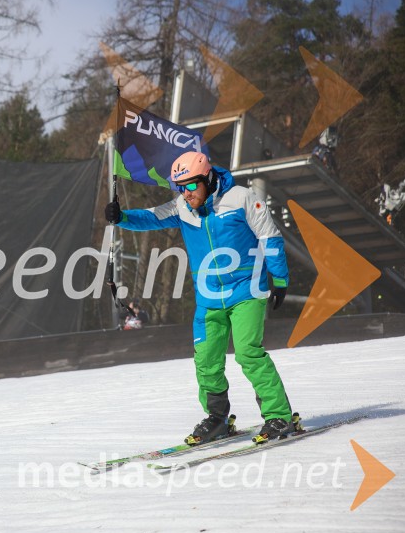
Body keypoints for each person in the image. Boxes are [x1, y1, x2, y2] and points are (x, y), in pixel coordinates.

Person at [105, 151, 294, 445]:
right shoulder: (183, 207)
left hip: (247, 289)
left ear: (207, 179)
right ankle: (217, 418)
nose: (186, 193)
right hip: (208, 298)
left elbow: (269, 236)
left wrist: (280, 279)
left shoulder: (242, 198)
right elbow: (151, 217)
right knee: (206, 361)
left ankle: (278, 415)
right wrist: (123, 217)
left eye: (191, 186)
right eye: (181, 187)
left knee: (247, 353)